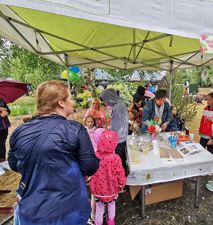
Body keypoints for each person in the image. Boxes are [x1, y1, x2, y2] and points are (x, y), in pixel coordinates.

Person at [8, 80, 99, 225]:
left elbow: (14, 164)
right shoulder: (74, 129)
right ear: (61, 103)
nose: (73, 102)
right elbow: (90, 166)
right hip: (68, 211)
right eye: (70, 98)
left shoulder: (19, 131)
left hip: (31, 211)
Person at [90, 129, 126, 225]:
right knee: (111, 206)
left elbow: (90, 172)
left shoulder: (95, 156)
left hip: (98, 191)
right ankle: (111, 222)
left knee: (99, 209)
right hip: (112, 190)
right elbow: (120, 173)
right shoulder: (116, 158)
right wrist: (122, 185)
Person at [101, 88, 128, 172]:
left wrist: (108, 131)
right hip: (121, 137)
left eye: (105, 100)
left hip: (119, 139)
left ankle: (122, 183)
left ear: (109, 97)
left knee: (119, 162)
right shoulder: (119, 104)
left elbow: (117, 125)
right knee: (121, 161)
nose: (105, 103)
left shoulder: (119, 106)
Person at [0, 97, 10, 162]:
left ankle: (3, 160)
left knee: (2, 144)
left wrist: (5, 111)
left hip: (5, 127)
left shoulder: (2, 101)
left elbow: (9, 111)